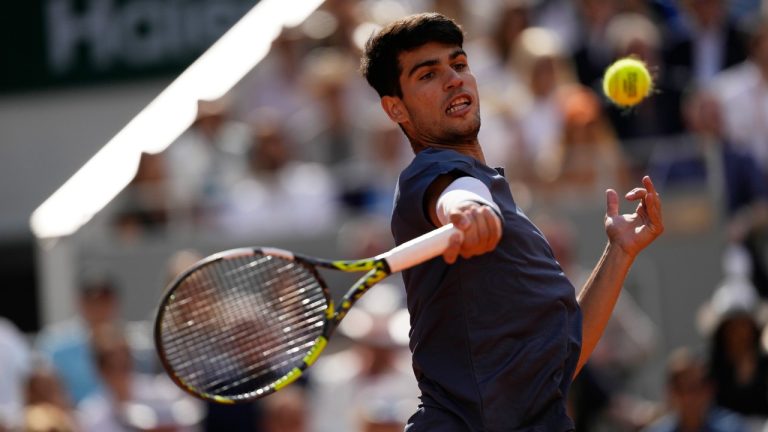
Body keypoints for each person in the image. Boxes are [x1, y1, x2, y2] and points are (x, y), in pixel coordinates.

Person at [359, 12, 664, 431]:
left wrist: (620, 252)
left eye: (459, 64)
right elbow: (456, 193)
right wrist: (466, 211)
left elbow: (562, 362)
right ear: (396, 108)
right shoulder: (432, 175)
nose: (454, 79)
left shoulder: (498, 195)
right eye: (428, 74)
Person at [642, 346, 748, 432]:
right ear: (670, 392)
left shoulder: (732, 428)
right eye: (681, 389)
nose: (690, 397)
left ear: (709, 389)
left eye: (695, 388)